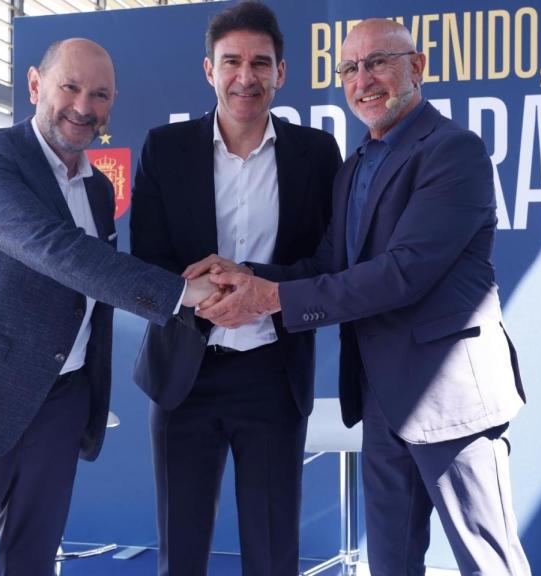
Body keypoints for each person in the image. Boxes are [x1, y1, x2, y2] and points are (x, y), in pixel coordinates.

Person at [189, 18, 532, 576]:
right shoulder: (355, 166)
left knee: (487, 562)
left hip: (451, 399)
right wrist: (243, 277)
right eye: (349, 68)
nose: (362, 79)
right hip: (380, 399)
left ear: (416, 67)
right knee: (391, 563)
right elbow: (330, 265)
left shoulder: (453, 151)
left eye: (379, 62)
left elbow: (403, 274)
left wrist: (270, 298)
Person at [0, 38, 217, 575]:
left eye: (100, 94)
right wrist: (181, 293)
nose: (84, 106)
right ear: (37, 85)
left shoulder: (97, 193)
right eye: (70, 87)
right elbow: (54, 250)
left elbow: (89, 295)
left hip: (60, 403)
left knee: (33, 560)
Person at [130, 2, 341, 574]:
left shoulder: (317, 155)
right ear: (208, 70)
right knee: (182, 553)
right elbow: (146, 262)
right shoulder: (163, 149)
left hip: (275, 377)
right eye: (231, 62)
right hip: (184, 375)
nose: (245, 77)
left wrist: (253, 282)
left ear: (282, 73)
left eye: (259, 63)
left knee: (274, 556)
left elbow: (328, 262)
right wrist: (207, 292)